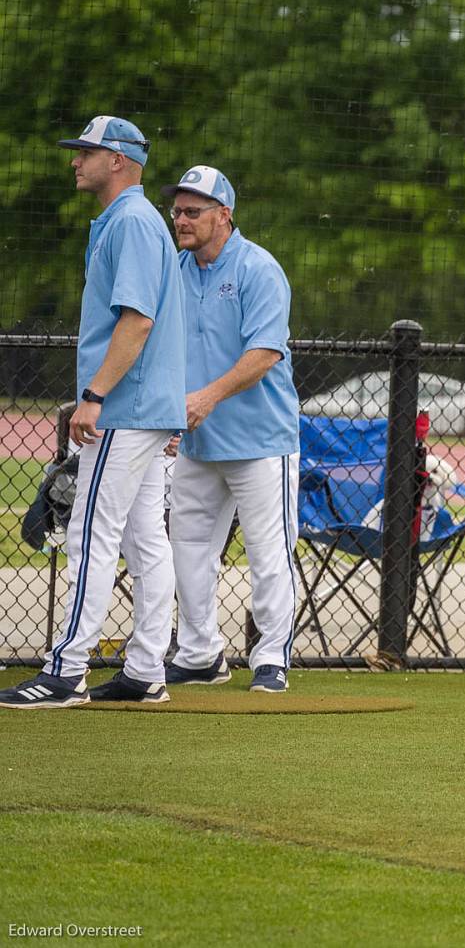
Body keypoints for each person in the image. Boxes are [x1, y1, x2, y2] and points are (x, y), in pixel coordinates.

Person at [0, 116, 185, 708]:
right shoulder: (129, 220)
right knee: (144, 539)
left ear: (120, 161)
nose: (75, 160)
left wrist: (96, 395)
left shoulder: (130, 219)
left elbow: (136, 320)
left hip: (126, 407)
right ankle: (147, 668)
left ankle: (66, 671)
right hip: (146, 406)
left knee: (88, 535)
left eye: (87, 151)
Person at [158, 166, 300, 694]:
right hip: (198, 438)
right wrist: (170, 413)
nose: (181, 220)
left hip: (261, 438)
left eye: (193, 211)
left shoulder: (259, 268)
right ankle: (199, 654)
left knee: (269, 551)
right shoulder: (173, 269)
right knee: (187, 545)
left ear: (225, 214)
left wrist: (205, 399)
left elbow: (264, 353)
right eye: (177, 211)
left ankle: (271, 659)